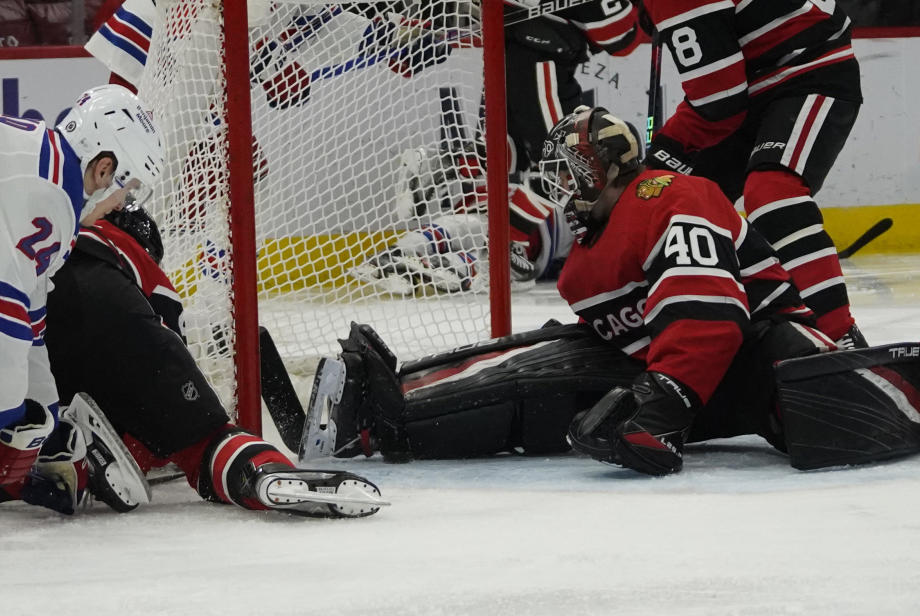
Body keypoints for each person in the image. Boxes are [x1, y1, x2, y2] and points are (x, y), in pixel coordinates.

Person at [298, 106, 920, 476]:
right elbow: (633, 335)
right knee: (545, 376)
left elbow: (709, 313)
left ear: (609, 167)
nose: (563, 189)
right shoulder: (590, 252)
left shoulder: (671, 196)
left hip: (764, 357)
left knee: (561, 380)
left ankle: (387, 414)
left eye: (572, 173)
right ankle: (384, 413)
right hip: (687, 368)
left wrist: (666, 398)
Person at [39, 201, 385, 518]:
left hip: (29, 318)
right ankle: (262, 472)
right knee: (200, 438)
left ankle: (60, 454)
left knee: (20, 428)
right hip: (105, 299)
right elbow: (156, 364)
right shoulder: (134, 260)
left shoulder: (48, 227)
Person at [0, 84, 163, 505]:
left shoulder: (48, 170)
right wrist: (6, 420)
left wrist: (43, 412)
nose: (121, 203)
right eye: (127, 187)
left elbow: (27, 317)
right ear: (103, 168)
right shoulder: (46, 194)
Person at [351, 0, 641, 293]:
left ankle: (451, 175)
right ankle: (501, 246)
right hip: (542, 59)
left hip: (506, 55)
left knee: (509, 160)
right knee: (567, 165)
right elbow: (618, 36)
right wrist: (643, 14)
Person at [638, 0, 864, 346]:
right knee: (666, 202)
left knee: (773, 193)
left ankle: (839, 337)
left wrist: (663, 153)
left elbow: (719, 102)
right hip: (749, 86)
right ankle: (652, 339)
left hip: (807, 68)